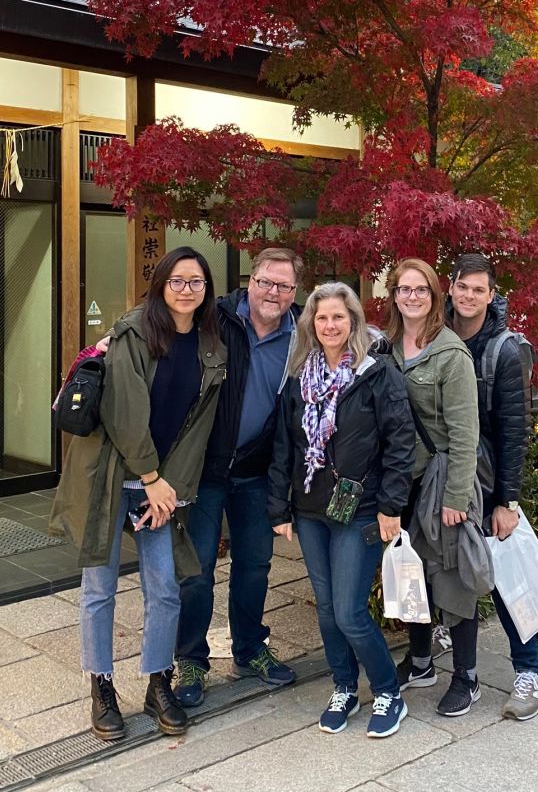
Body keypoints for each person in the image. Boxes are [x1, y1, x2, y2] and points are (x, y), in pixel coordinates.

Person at [50, 247, 227, 741]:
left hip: (162, 488)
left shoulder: (212, 347)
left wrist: (168, 489)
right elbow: (124, 412)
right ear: (160, 284)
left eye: (196, 281)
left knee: (165, 589)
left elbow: (199, 429)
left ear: (206, 288)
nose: (186, 289)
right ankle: (101, 685)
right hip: (111, 476)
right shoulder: (133, 332)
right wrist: (151, 478)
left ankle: (157, 682)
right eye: (177, 280)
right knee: (99, 589)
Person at [269, 282, 415, 737]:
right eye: (321, 317)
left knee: (351, 611)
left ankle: (389, 691)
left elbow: (400, 443)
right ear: (311, 324)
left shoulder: (377, 373)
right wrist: (279, 507)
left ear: (352, 321)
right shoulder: (299, 378)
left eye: (338, 316)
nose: (329, 325)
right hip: (311, 509)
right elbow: (284, 447)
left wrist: (392, 505)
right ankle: (345, 686)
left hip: (363, 509)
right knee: (328, 609)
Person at [173, 248, 303, 706]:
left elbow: (354, 337)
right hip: (206, 469)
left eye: (284, 285)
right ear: (251, 280)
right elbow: (160, 323)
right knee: (197, 570)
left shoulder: (301, 333)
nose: (273, 292)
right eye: (266, 281)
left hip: (257, 472)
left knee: (255, 565)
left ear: (294, 292)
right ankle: (190, 659)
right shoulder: (218, 317)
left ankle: (250, 649)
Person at [447, 252, 538, 721]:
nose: (469, 295)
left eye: (478, 289)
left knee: (508, 580)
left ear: (491, 295)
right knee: (457, 575)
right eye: (462, 286)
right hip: (446, 482)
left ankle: (530, 671)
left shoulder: (504, 349)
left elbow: (514, 429)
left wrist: (508, 500)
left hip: (487, 483)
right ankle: (453, 668)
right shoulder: (437, 335)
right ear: (450, 287)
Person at [383, 257, 486, 717]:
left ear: (434, 296)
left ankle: (467, 675)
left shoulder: (450, 353)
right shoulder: (384, 349)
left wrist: (457, 498)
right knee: (411, 574)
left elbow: (466, 433)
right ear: (394, 295)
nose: (411, 297)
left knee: (451, 575)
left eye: (420, 289)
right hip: (399, 483)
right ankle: (421, 659)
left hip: (441, 482)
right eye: (403, 289)